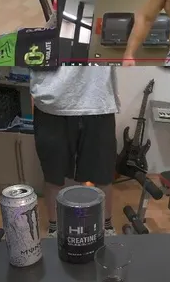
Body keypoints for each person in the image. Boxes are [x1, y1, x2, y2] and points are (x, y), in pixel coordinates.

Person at [30, 65, 120, 237]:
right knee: (53, 175)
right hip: (52, 101)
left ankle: (106, 226)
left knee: (104, 174)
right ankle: (55, 228)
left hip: (97, 99)